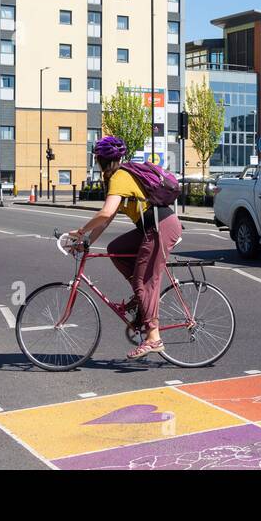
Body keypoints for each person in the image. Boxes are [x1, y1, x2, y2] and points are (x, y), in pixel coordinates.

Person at [66, 136, 181, 359]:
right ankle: (142, 299)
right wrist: (88, 241)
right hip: (151, 226)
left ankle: (153, 337)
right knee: (116, 248)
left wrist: (80, 231)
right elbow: (107, 219)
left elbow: (105, 213)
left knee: (143, 280)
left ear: (100, 161)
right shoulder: (120, 176)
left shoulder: (120, 176)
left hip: (161, 226)